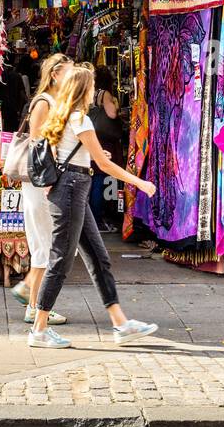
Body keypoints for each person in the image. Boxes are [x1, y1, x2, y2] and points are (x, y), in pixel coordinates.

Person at [29, 62, 159, 349]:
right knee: (61, 260)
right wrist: (140, 183)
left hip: (72, 189)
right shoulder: (81, 120)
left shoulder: (65, 117)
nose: (93, 92)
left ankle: (120, 323)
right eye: (90, 87)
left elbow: (71, 154)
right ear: (83, 90)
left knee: (98, 258)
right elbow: (104, 164)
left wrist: (93, 155)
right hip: (73, 191)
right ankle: (39, 329)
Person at [9, 53, 72, 327]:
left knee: (47, 245)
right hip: (40, 183)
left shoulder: (56, 102)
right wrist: (49, 179)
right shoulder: (44, 103)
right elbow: (38, 144)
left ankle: (32, 299)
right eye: (69, 73)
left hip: (46, 181)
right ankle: (35, 305)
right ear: (56, 74)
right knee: (44, 245)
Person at [89, 69, 124, 231]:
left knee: (94, 177)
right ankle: (97, 219)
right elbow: (111, 114)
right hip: (105, 141)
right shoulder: (105, 94)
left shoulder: (91, 93)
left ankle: (93, 218)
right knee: (100, 178)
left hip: (94, 138)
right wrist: (116, 104)